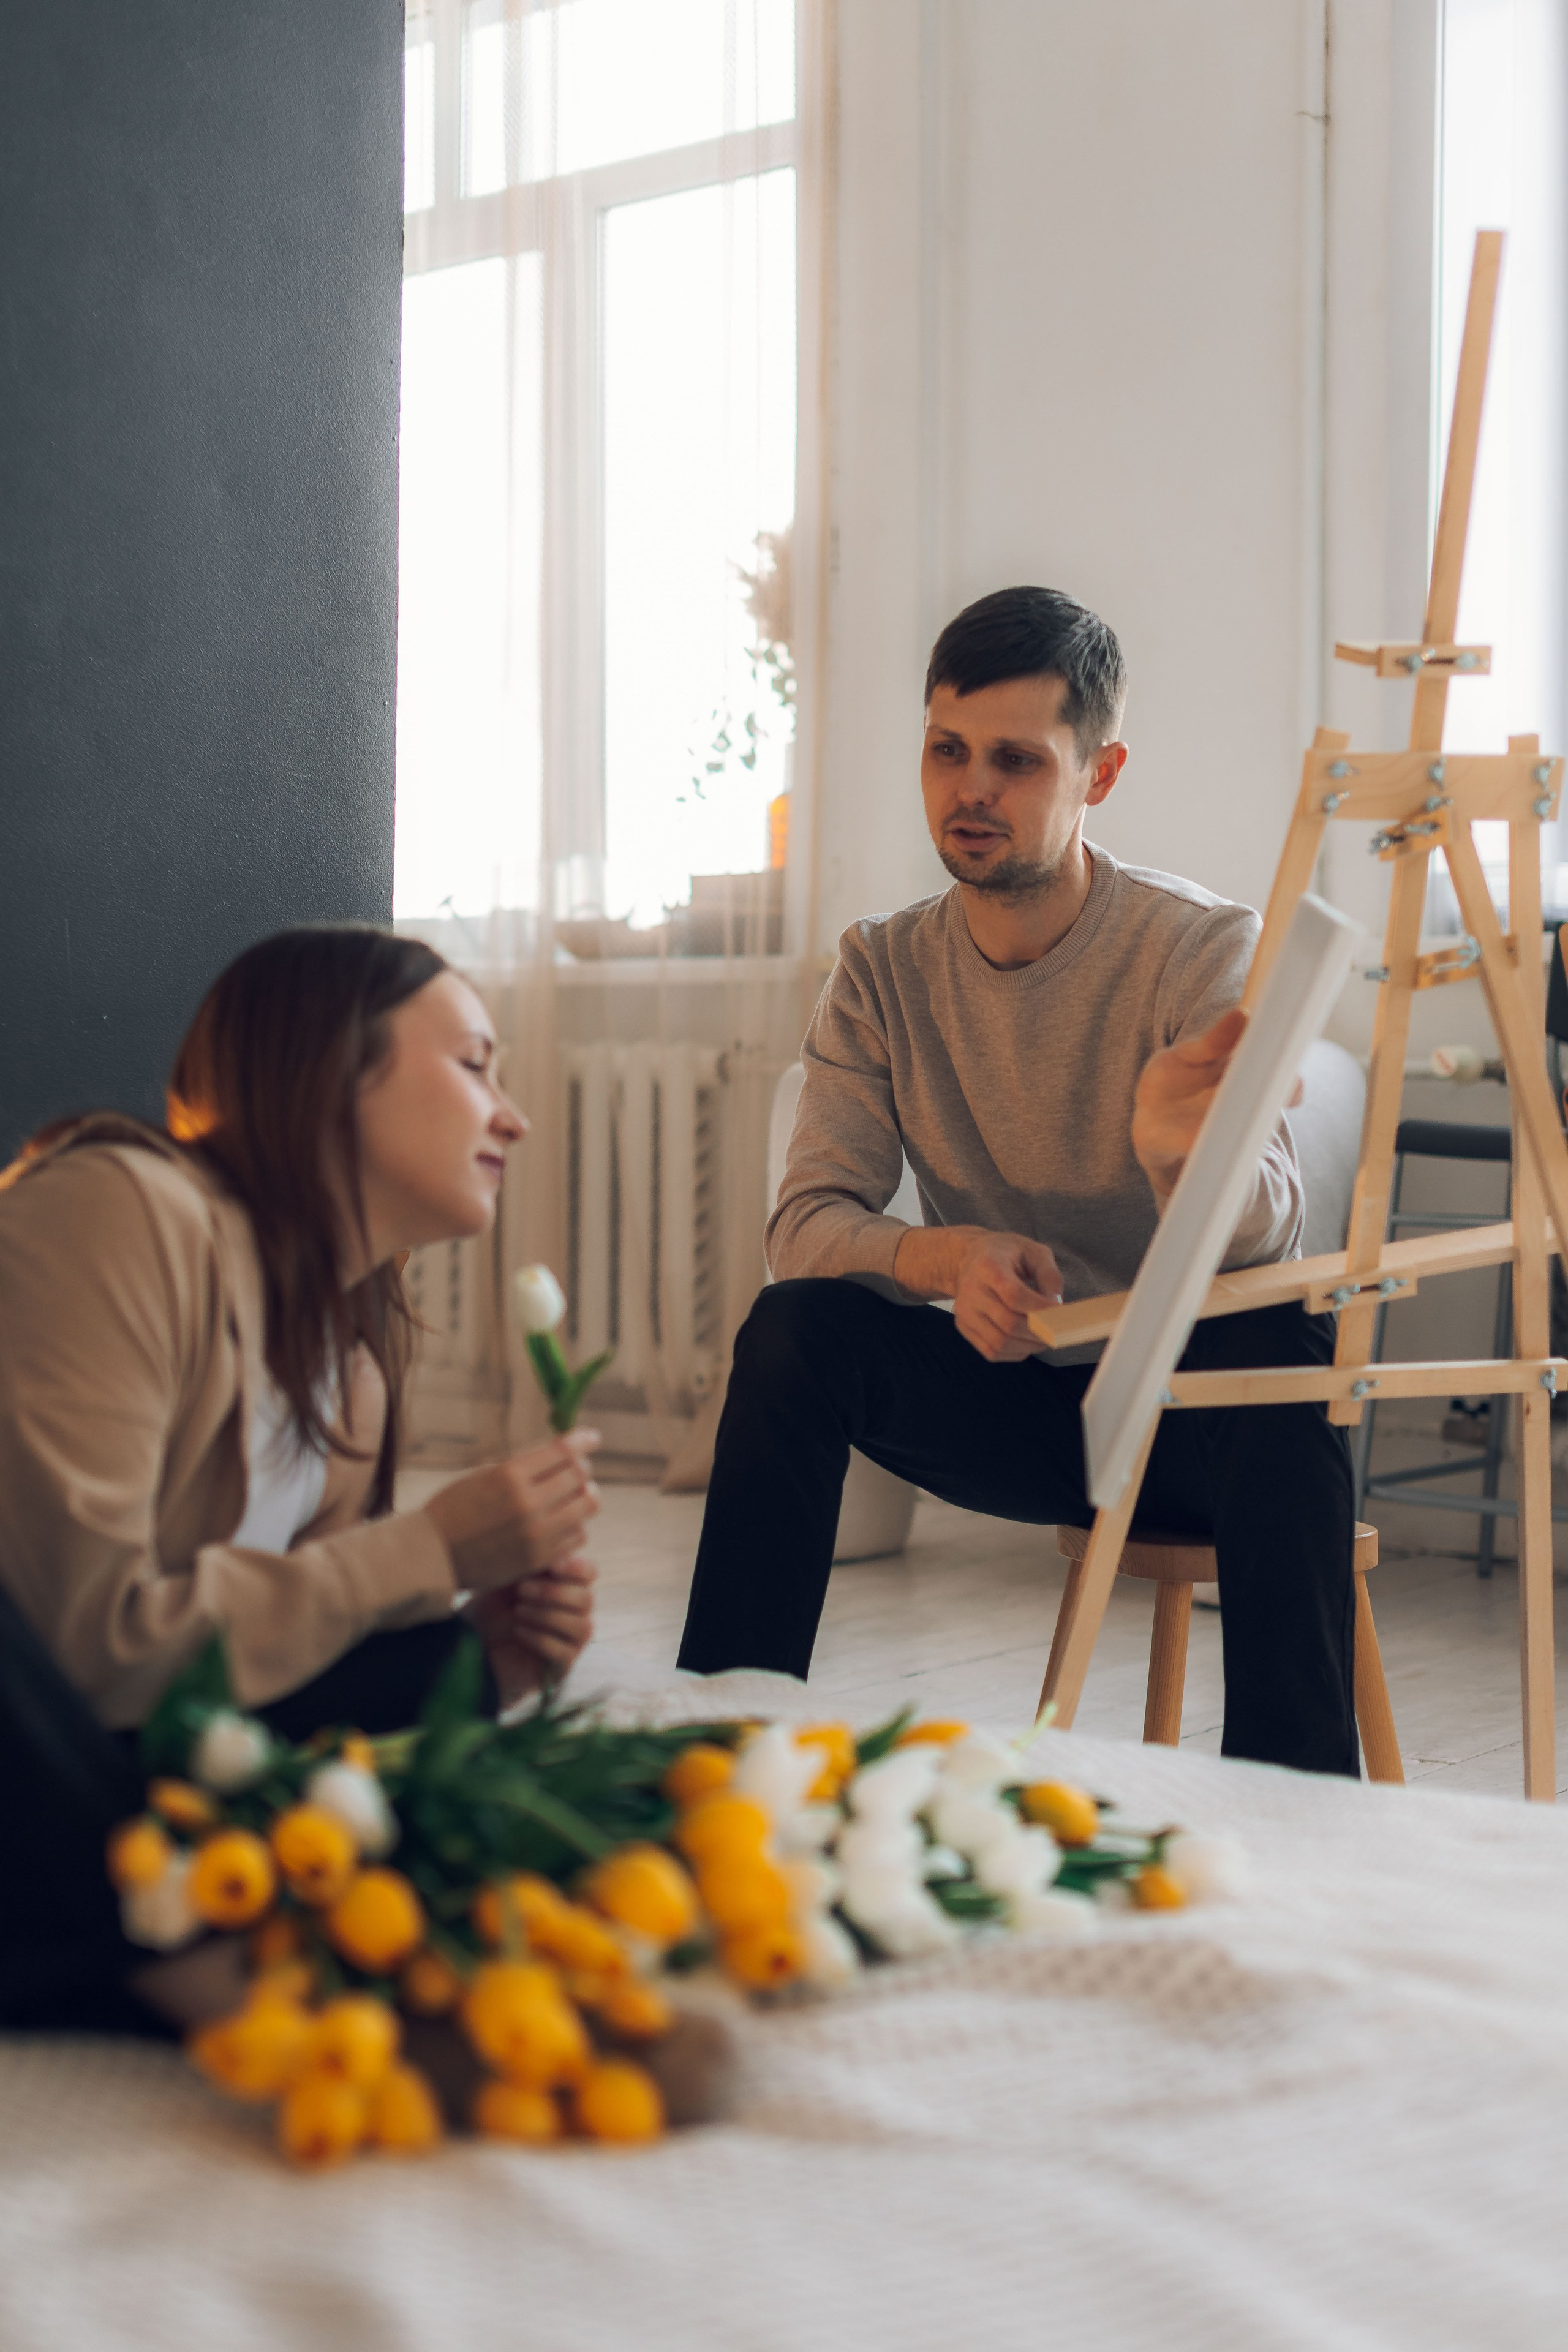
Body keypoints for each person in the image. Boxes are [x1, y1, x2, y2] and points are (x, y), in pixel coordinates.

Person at [679, 585, 1358, 1777]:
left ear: (1096, 776)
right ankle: (720, 1753)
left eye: (1013, 761)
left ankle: (1296, 1801)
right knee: (797, 1330)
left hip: (1187, 1423)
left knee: (1277, 1344)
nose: (968, 790)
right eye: (945, 751)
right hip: (1021, 1398)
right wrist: (944, 1257)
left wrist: (1176, 1160)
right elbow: (805, 1226)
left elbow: (1272, 1224)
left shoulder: (1197, 949)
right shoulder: (879, 967)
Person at [0, 925, 600, 2028]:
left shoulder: (351, 1380)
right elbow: (80, 1648)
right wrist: (426, 1549)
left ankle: (153, 1940)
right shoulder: (125, 1209)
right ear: (334, 1070)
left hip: (76, 1774)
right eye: (473, 1064)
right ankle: (169, 1968)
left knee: (420, 1663)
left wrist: (484, 1660)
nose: (509, 1114)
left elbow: (260, 1693)